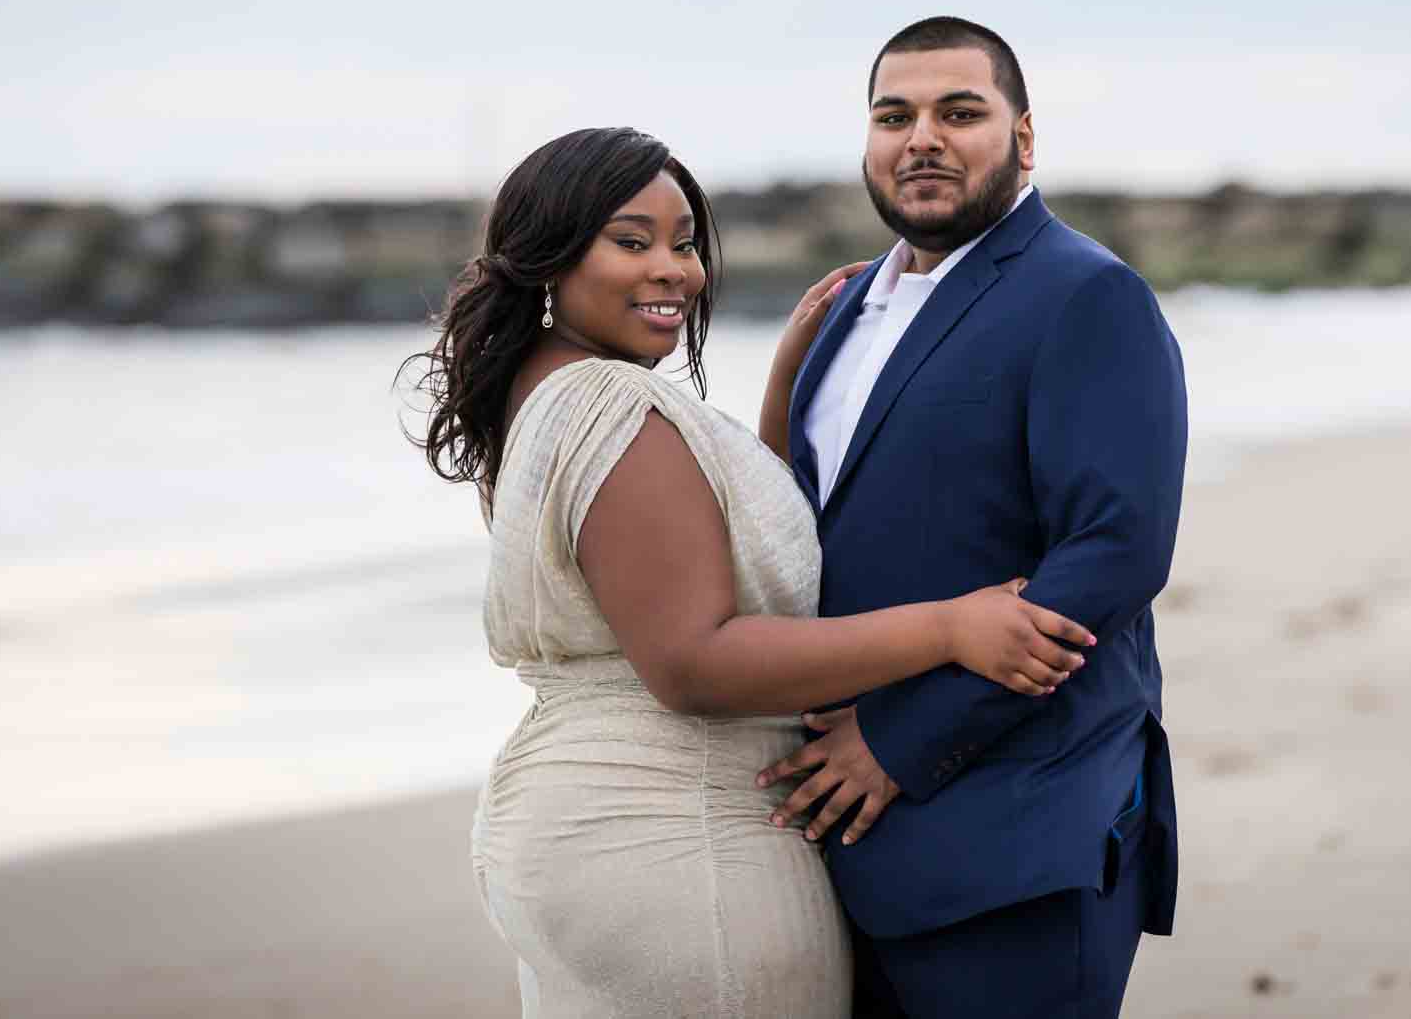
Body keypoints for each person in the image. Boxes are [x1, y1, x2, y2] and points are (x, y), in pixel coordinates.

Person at [408, 125, 1100, 1018]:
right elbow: (696, 659)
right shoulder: (611, 402)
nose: (674, 269)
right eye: (631, 241)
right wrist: (950, 627)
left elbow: (706, 560)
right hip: (678, 833)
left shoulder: (540, 392)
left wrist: (783, 384)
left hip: (586, 822)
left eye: (685, 241)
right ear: (551, 256)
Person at [758, 17, 1189, 1017]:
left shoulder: (1085, 294)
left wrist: (898, 742)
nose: (921, 138)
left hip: (1018, 827)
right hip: (851, 848)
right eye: (892, 115)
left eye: (959, 112)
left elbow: (1115, 553)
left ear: (1023, 139)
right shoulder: (844, 309)